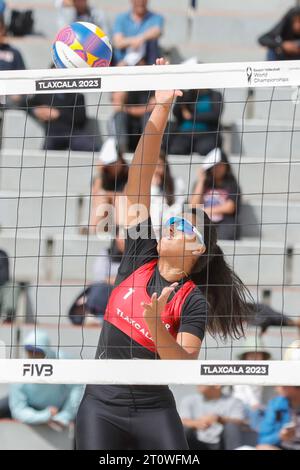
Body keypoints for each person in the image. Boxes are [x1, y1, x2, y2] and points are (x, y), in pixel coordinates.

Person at [75, 58, 251, 450]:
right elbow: (139, 173)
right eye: (173, 219)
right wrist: (161, 106)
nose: (172, 225)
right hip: (101, 403)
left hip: (154, 408)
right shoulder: (141, 252)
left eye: (184, 225)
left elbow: (185, 366)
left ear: (199, 248)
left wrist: (157, 327)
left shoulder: (193, 301)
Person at [0, 330, 83, 426]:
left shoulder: (63, 361)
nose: (33, 355)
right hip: (32, 408)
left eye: (37, 351)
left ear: (46, 351)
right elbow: (18, 411)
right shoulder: (18, 370)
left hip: (61, 408)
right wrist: (45, 416)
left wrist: (65, 415)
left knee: (87, 413)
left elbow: (77, 388)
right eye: (30, 351)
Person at [189, 148, 241, 240]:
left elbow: (230, 207)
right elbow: (192, 206)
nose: (217, 169)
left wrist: (205, 211)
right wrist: (201, 181)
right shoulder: (202, 185)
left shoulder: (232, 185)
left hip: (223, 221)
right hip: (203, 221)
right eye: (214, 166)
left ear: (226, 166)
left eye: (220, 165)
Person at [26, 90, 97, 152]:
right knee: (46, 152)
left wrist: (58, 114)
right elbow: (24, 104)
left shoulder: (77, 96)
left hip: (74, 133)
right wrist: (35, 111)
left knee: (90, 147)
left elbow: (80, 118)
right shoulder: (43, 95)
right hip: (53, 134)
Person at [179, 385, 247, 450]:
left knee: (232, 427)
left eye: (203, 380)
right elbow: (182, 421)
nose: (199, 383)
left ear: (217, 384)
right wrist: (196, 423)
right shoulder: (188, 400)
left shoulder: (234, 401)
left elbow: (240, 421)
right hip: (196, 441)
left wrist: (218, 419)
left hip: (222, 443)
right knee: (184, 428)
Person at [89, 138, 129, 234]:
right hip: (105, 218)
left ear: (120, 159)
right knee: (101, 198)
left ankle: (121, 232)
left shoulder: (130, 173)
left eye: (113, 163)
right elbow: (94, 197)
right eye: (108, 164)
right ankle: (91, 232)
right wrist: (99, 173)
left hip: (123, 214)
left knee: (119, 200)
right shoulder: (102, 174)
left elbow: (127, 196)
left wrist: (108, 195)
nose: (111, 167)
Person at [168, 88, 223, 156]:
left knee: (205, 149)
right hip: (185, 133)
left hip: (206, 134)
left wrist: (192, 117)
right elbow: (176, 114)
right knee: (176, 149)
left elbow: (215, 115)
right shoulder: (187, 94)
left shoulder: (215, 95)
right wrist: (180, 100)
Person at [112, 0, 164, 66]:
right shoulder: (121, 19)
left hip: (147, 63)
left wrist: (141, 39)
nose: (140, 2)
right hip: (123, 64)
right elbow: (118, 42)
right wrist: (133, 41)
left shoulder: (156, 18)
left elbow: (157, 31)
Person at [257, 386, 300, 450]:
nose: (276, 389)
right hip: (282, 446)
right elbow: (263, 440)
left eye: (282, 385)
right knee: (262, 448)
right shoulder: (276, 405)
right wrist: (280, 436)